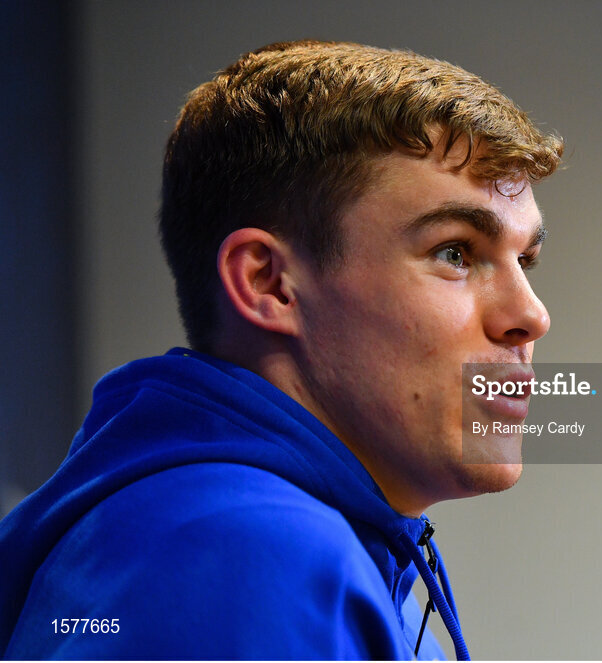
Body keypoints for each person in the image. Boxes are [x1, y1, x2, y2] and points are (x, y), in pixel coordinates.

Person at [0, 40, 562, 659]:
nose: (530, 316)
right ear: (268, 283)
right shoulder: (252, 557)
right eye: (454, 253)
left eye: (525, 258)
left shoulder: (270, 541)